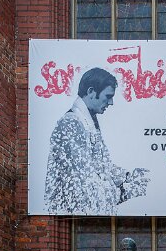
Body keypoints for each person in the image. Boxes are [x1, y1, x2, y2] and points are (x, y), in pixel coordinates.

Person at [44, 67, 149, 215]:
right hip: (72, 214)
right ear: (91, 91)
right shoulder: (71, 124)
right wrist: (127, 190)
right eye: (108, 96)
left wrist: (129, 176)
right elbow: (85, 186)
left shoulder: (87, 120)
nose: (111, 102)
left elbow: (101, 166)